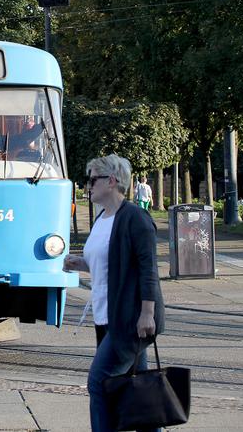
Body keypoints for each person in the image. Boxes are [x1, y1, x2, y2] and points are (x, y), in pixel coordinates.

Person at [63, 154, 165, 432]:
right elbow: (109, 264)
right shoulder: (102, 218)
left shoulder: (135, 218)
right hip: (106, 316)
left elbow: (148, 270)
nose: (88, 185)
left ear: (111, 181)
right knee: (137, 386)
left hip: (129, 320)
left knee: (99, 383)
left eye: (93, 179)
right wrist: (79, 263)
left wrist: (147, 314)